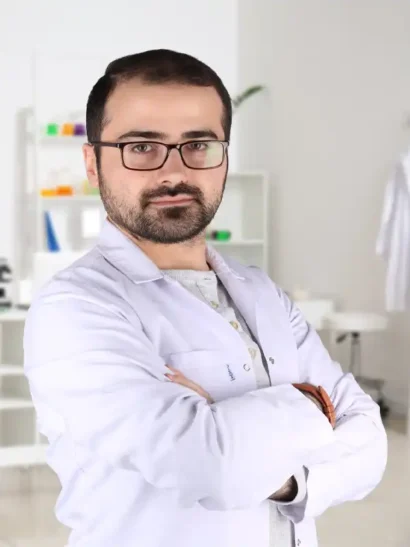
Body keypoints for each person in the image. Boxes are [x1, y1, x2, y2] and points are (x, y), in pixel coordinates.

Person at [24, 49, 387, 547]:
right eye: (141, 147)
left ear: (224, 156)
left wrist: (282, 477)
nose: (174, 172)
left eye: (198, 144)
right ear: (93, 162)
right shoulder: (75, 308)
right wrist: (312, 406)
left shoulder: (262, 292)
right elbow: (207, 466)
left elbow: (370, 443)